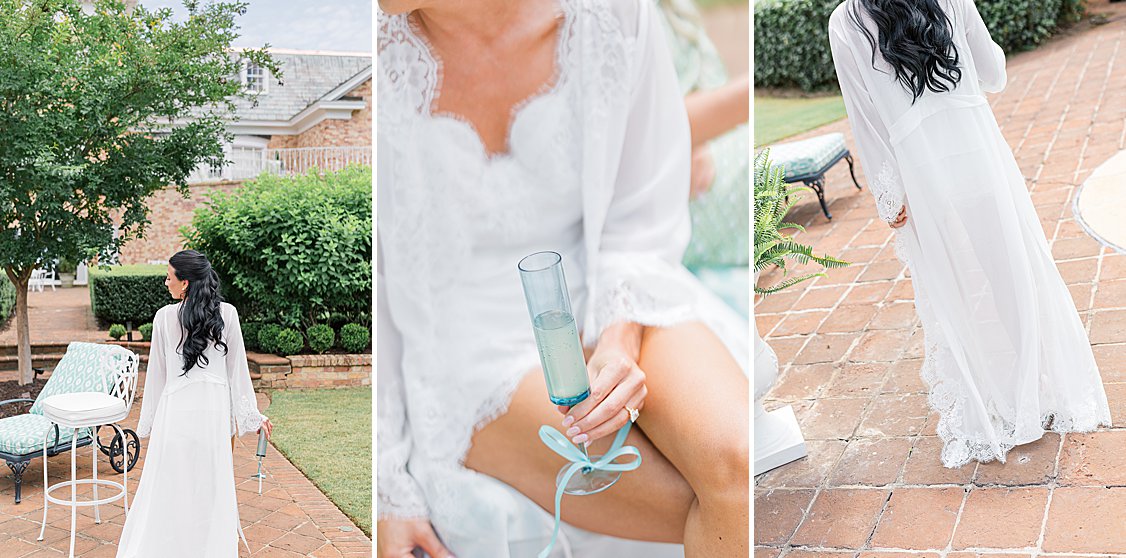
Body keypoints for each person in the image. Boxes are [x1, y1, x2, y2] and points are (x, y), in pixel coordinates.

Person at [376, 0, 750, 556]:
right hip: (468, 342)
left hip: (612, 283)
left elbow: (639, 215)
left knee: (737, 472)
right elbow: (377, 283)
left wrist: (619, 340)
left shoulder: (616, 17)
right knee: (684, 500)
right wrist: (386, 492)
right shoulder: (377, 53)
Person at [829, 0, 1110, 468]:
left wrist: (889, 194)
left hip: (919, 169)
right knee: (1012, 271)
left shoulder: (845, 21)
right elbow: (993, 72)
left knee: (950, 290)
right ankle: (1040, 390)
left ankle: (987, 410)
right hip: (975, 149)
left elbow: (865, 116)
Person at [116, 250, 273, 557]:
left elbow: (157, 379)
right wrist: (250, 415)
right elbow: (236, 372)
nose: (165, 282)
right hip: (211, 414)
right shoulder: (227, 314)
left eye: (169, 277)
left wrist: (148, 422)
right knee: (209, 487)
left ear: (185, 283)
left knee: (173, 487)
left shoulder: (164, 318)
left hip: (176, 414)